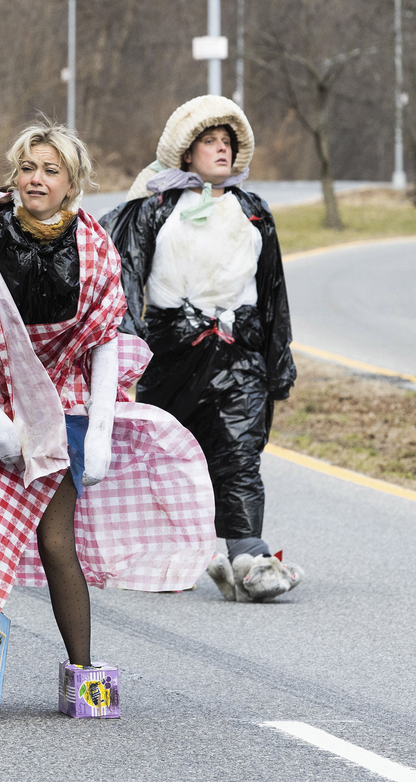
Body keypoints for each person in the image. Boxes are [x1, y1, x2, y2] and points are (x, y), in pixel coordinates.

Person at [0, 119, 215, 721]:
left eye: (51, 170)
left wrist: (105, 431)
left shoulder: (93, 247)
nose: (36, 179)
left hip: (59, 403)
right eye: (28, 167)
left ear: (73, 182)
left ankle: (86, 682)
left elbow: (104, 341)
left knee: (56, 539)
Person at [102, 96, 302, 602]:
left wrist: (278, 363)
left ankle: (248, 556)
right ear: (187, 153)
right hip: (173, 354)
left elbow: (274, 290)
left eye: (227, 144)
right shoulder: (154, 209)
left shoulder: (254, 212)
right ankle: (172, 551)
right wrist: (128, 353)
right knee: (168, 454)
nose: (221, 150)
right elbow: (123, 278)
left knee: (240, 452)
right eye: (210, 142)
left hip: (242, 354)